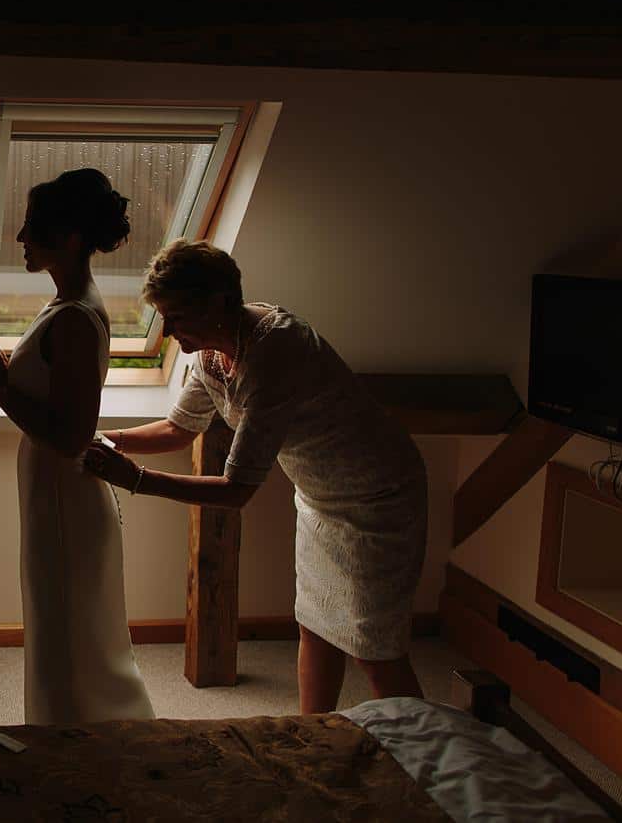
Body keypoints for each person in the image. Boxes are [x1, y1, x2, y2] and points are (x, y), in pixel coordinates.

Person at [82, 239, 428, 714]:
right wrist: (106, 439)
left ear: (218, 303)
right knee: (316, 625)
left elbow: (236, 490)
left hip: (380, 496)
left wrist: (137, 479)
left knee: (375, 644)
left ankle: (420, 748)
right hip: (319, 499)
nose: (166, 332)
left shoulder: (276, 350)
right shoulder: (208, 354)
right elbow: (179, 429)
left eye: (176, 316)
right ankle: (313, 735)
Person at [0, 168, 155, 724]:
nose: (21, 239)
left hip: (64, 494)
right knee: (63, 622)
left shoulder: (76, 316)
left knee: (66, 626)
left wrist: (0, 388)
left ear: (72, 237)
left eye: (33, 228)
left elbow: (71, 434)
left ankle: (78, 749)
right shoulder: (66, 304)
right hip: (53, 489)